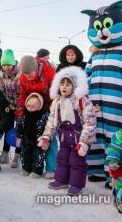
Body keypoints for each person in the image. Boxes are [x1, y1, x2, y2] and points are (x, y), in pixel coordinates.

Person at [82, 1, 122, 187]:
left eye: (107, 26)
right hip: (95, 104)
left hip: (116, 105)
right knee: (95, 135)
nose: (102, 32)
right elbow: (86, 76)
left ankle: (114, 175)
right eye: (98, 27)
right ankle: (96, 170)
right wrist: (83, 97)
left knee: (114, 139)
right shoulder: (95, 54)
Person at [39, 66, 96, 196]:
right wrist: (47, 136)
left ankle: (76, 184)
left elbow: (90, 122)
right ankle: (62, 179)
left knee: (77, 161)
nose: (64, 87)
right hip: (64, 136)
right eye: (62, 84)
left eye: (68, 84)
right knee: (62, 158)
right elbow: (52, 120)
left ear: (74, 86)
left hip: (79, 138)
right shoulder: (57, 102)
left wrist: (84, 142)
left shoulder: (83, 101)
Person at [16, 55, 56, 174]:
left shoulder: (48, 73)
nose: (28, 77)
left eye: (30, 74)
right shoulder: (23, 77)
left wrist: (52, 110)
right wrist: (23, 110)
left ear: (36, 69)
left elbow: (55, 93)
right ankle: (28, 167)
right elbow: (23, 94)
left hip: (48, 107)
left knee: (49, 139)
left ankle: (51, 169)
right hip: (32, 107)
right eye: (25, 75)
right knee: (30, 138)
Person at [0, 49, 20, 166]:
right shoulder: (1, 75)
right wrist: (4, 104)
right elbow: (1, 91)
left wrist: (21, 105)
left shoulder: (20, 75)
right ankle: (5, 153)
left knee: (20, 129)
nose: (6, 67)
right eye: (4, 65)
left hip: (21, 105)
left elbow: (23, 91)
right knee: (8, 128)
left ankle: (17, 155)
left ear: (13, 64)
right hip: (9, 105)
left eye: (8, 65)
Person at [19, 92, 49, 178]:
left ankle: (37, 170)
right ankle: (26, 168)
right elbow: (20, 125)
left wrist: (46, 138)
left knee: (38, 155)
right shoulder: (24, 115)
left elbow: (48, 127)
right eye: (28, 106)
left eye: (33, 107)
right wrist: (19, 136)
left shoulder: (44, 115)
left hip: (39, 139)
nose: (30, 108)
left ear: (39, 106)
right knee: (25, 154)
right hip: (27, 139)